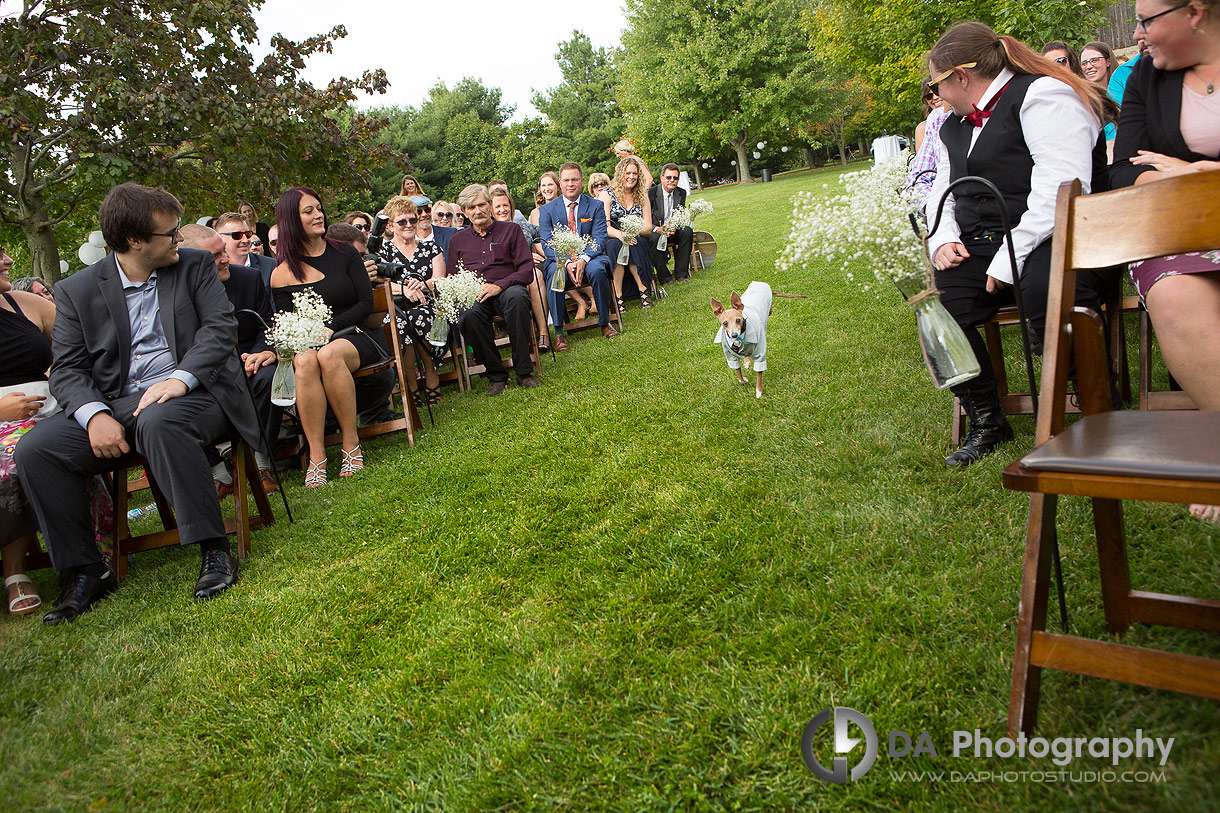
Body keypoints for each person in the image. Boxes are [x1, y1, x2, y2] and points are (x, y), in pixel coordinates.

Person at [15, 184, 261, 622]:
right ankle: (86, 571)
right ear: (134, 241)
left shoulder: (194, 266)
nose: (176, 242)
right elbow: (68, 370)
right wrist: (94, 417)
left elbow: (220, 330)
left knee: (160, 420)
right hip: (119, 403)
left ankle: (214, 549)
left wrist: (180, 381)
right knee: (36, 449)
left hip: (199, 394)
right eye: (168, 234)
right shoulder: (76, 290)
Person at [925, 22, 1117, 467]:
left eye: (936, 82)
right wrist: (944, 236)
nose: (934, 93)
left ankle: (1096, 411)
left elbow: (1062, 187)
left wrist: (1009, 261)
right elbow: (942, 189)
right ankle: (988, 420)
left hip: (1058, 233)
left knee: (1045, 289)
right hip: (983, 240)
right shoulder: (953, 125)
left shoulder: (1044, 96)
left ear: (961, 77)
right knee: (937, 308)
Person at [1109, 0, 1220, 523]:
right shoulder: (1143, 79)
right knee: (1173, 294)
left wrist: (1200, 171)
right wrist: (1173, 180)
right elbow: (1122, 172)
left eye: (1148, 20)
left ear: (1194, 11)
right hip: (1181, 229)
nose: (1139, 33)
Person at [270, 186, 375, 487]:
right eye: (309, 211)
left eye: (319, 208)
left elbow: (366, 304)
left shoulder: (345, 254)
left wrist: (330, 328)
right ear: (292, 219)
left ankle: (350, 443)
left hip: (355, 335)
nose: (319, 215)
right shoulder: (282, 273)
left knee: (329, 354)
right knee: (304, 361)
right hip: (311, 348)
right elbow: (284, 324)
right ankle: (317, 455)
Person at [178, 224, 280, 496]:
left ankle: (261, 464)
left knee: (269, 377)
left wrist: (264, 351)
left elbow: (267, 326)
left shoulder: (248, 279)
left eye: (223, 251)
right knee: (179, 401)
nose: (225, 259)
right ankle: (220, 474)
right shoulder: (175, 294)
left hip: (250, 363)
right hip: (205, 372)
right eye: (214, 256)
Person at [0, 244, 57, 616]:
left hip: (51, 410)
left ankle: (89, 549)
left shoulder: (27, 303)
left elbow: (78, 344)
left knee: (53, 446)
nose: (7, 260)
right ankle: (15, 574)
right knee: (11, 461)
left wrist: (61, 374)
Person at [448, 184, 539, 395]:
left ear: (490, 205)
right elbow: (452, 278)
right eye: (471, 207)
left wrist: (500, 285)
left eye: (481, 205)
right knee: (467, 315)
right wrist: (467, 291)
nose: (477, 211)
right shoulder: (457, 241)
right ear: (464, 211)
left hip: (506, 288)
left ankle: (524, 372)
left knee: (518, 297)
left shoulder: (511, 230)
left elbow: (526, 270)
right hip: (475, 296)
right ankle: (496, 375)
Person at [376, 195, 447, 406]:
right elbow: (381, 284)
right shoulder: (383, 252)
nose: (409, 225)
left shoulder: (430, 248)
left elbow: (439, 280)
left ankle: (429, 370)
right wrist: (404, 290)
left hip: (428, 304)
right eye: (402, 221)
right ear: (390, 225)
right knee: (399, 323)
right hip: (397, 307)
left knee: (421, 316)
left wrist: (422, 286)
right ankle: (412, 384)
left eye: (412, 220)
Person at [539, 162, 618, 352]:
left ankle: (605, 323)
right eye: (566, 180)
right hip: (561, 260)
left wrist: (583, 259)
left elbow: (600, 238)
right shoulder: (547, 210)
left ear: (582, 181)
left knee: (598, 270)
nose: (571, 184)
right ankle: (559, 332)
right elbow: (547, 243)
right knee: (554, 273)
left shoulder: (596, 206)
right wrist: (566, 262)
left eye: (575, 179)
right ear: (560, 183)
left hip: (591, 257)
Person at [490, 187, 551, 352]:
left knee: (536, 276)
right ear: (490, 209)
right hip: (500, 277)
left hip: (523, 272)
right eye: (498, 207)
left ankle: (543, 333)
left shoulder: (518, 227)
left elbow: (542, 233)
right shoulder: (488, 232)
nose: (503, 210)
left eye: (506, 205)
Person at [598, 157, 655, 310]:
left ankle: (644, 292)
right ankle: (618, 296)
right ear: (620, 174)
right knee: (615, 246)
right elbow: (604, 226)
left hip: (637, 235)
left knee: (636, 244)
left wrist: (632, 232)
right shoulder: (607, 194)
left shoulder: (642, 195)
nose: (631, 177)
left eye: (635, 174)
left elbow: (648, 227)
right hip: (613, 236)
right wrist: (621, 235)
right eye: (627, 173)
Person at [908, 79, 953, 208]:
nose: (935, 97)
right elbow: (922, 171)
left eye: (937, 91)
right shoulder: (929, 126)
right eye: (929, 96)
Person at [647, 163, 694, 284]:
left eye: (675, 178)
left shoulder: (681, 193)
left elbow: (680, 215)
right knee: (654, 238)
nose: (672, 180)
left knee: (687, 231)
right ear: (662, 178)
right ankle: (665, 278)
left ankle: (682, 274)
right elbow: (644, 219)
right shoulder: (650, 194)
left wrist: (674, 226)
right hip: (655, 230)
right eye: (668, 177)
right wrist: (658, 228)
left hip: (672, 229)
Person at [215, 211, 276, 286]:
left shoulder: (271, 266)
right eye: (237, 235)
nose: (245, 240)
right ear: (221, 238)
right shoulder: (215, 270)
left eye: (248, 234)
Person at [1082, 41, 1121, 147]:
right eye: (1084, 63)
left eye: (1094, 60)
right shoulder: (1084, 100)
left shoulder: (1123, 90)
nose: (1088, 66)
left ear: (1108, 61)